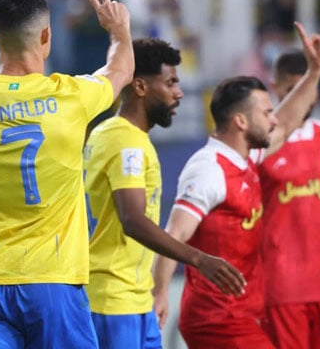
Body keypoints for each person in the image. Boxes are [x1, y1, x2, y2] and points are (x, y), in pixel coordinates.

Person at [0, 0, 134, 348]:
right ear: (47, 36)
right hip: (54, 283)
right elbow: (121, 70)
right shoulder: (72, 96)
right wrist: (119, 30)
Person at [151, 22, 320, 349]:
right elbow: (173, 235)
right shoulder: (209, 169)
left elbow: (287, 122)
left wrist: (314, 72)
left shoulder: (246, 158)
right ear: (241, 121)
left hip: (242, 315)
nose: (273, 118)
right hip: (217, 320)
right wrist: (160, 290)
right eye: (266, 112)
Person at [84, 38, 246, 349]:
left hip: (134, 296)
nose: (179, 93)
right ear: (141, 87)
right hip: (112, 301)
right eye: (170, 82)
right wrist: (198, 259)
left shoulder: (119, 135)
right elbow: (132, 219)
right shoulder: (125, 142)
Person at [259, 50, 320, 349]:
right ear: (275, 88)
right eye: (292, 90)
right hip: (281, 290)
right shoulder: (259, 147)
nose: (304, 99)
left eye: (308, 88)